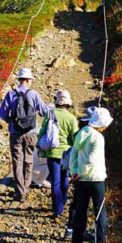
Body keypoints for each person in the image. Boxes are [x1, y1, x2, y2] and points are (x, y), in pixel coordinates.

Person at [0, 67, 49, 203]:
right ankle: (26, 188)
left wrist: (12, 122)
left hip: (15, 133)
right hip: (31, 133)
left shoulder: (10, 94)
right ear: (27, 80)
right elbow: (44, 112)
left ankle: (19, 192)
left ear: (19, 80)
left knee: (17, 161)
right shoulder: (34, 94)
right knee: (29, 160)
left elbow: (2, 114)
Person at [69, 106, 113, 243]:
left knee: (81, 210)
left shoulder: (81, 133)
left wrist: (75, 172)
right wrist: (81, 173)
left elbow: (74, 153)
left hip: (81, 180)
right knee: (99, 211)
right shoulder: (98, 137)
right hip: (96, 179)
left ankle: (76, 241)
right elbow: (92, 160)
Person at [37, 89, 79, 224]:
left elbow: (42, 132)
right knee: (64, 178)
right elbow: (75, 137)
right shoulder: (71, 118)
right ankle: (63, 202)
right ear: (68, 103)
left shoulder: (49, 114)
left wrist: (39, 146)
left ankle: (57, 209)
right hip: (66, 153)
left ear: (57, 101)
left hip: (52, 152)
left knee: (55, 181)